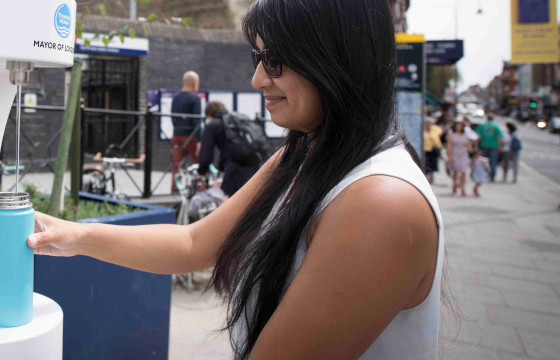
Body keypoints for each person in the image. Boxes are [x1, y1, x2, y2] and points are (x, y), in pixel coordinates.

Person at [25, 1, 443, 358]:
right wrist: (72, 236)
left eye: (274, 60)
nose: (258, 79)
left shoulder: (379, 203)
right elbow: (193, 244)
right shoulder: (302, 156)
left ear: (335, 57)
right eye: (256, 58)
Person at [197, 101, 261, 197]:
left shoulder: (213, 125)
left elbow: (206, 153)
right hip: (254, 164)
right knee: (251, 199)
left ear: (209, 115)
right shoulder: (237, 119)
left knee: (229, 201)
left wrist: (201, 172)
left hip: (234, 166)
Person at [170, 71, 203, 193]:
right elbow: (197, 121)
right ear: (195, 83)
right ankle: (200, 188)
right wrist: (199, 140)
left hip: (177, 135)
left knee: (177, 164)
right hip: (191, 136)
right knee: (199, 163)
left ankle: (175, 189)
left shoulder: (175, 97)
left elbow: (173, 117)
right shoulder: (195, 98)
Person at [475, 114, 504, 182]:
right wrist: (500, 147)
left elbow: (478, 136)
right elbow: (500, 137)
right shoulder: (496, 126)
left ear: (487, 118)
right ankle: (492, 177)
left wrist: (476, 145)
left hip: (484, 145)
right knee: (493, 163)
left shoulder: (482, 125)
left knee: (483, 162)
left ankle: (483, 175)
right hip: (494, 146)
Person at [447, 121, 472, 196]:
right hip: (455, 153)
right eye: (457, 126)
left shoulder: (465, 135)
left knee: (463, 171)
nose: (459, 127)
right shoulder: (451, 135)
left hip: (463, 154)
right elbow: (449, 146)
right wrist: (449, 156)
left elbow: (469, 146)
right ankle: (454, 185)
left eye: (460, 126)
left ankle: (462, 188)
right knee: (455, 171)